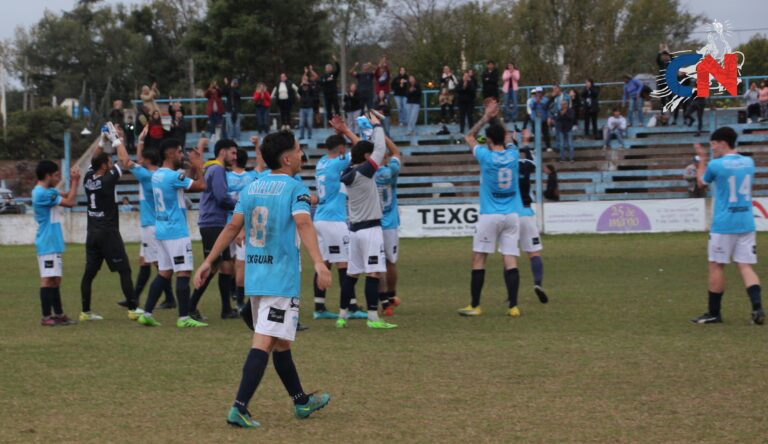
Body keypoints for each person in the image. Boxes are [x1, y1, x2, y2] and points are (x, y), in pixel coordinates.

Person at [193, 130, 332, 429]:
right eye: (297, 150)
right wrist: (320, 263)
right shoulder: (295, 188)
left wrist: (208, 260)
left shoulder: (253, 187)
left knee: (281, 343)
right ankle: (239, 408)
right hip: (279, 280)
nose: (300, 155)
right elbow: (304, 222)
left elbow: (232, 227)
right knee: (265, 342)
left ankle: (301, 401)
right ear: (286, 158)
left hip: (256, 277)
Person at [691, 127, 764, 325]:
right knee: (745, 265)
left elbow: (701, 183)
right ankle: (757, 308)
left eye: (714, 144)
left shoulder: (716, 165)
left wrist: (702, 160)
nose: (713, 148)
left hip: (724, 224)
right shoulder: (749, 162)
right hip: (746, 221)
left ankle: (714, 313)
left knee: (716, 265)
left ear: (722, 143)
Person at [458, 98, 523, 317]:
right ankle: (513, 306)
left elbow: (468, 136)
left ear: (489, 141)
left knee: (479, 259)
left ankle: (475, 305)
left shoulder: (486, 156)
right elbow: (509, 136)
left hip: (490, 215)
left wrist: (485, 117)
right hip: (512, 215)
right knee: (510, 259)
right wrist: (498, 117)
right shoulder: (513, 155)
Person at [335, 111, 399, 329]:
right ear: (365, 157)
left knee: (352, 275)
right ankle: (373, 318)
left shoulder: (348, 171)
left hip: (353, 231)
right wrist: (378, 126)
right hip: (370, 230)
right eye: (369, 155)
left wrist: (356, 134)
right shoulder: (364, 172)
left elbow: (365, 150)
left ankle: (342, 315)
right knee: (373, 273)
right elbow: (380, 150)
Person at [137, 137, 208, 328]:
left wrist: (192, 168)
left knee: (164, 273)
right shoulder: (171, 177)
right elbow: (202, 186)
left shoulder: (158, 175)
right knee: (183, 272)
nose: (181, 155)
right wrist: (199, 166)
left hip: (161, 230)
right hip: (176, 231)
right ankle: (184, 318)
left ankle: (147, 313)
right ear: (169, 153)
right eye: (179, 151)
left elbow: (182, 180)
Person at [79, 127, 141, 322]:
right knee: (124, 270)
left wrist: (101, 140)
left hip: (92, 232)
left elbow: (95, 158)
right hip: (108, 232)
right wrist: (115, 139)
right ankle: (132, 309)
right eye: (109, 162)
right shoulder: (107, 180)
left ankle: (85, 312)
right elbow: (125, 161)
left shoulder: (89, 178)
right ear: (105, 166)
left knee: (89, 274)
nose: (111, 163)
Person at [116, 126, 176, 310]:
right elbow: (137, 162)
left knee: (158, 264)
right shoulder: (155, 174)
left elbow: (126, 162)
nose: (139, 161)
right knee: (146, 262)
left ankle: (167, 299)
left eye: (142, 159)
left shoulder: (147, 176)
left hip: (151, 225)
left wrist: (118, 141)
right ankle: (134, 298)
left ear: (147, 161)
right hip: (151, 224)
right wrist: (141, 141)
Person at [312, 127, 362, 320]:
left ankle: (319, 307)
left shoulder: (322, 162)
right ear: (341, 150)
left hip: (320, 219)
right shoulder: (336, 163)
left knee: (324, 263)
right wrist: (346, 130)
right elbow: (361, 147)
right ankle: (351, 306)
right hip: (334, 219)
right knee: (346, 264)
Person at [189, 140, 239, 321]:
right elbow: (220, 197)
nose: (235, 157)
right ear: (223, 152)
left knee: (226, 265)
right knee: (212, 265)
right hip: (212, 223)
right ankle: (190, 306)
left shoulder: (212, 168)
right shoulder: (217, 169)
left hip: (215, 222)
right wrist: (240, 204)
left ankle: (226, 309)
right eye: (232, 153)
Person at [32, 161, 80, 326]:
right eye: (55, 174)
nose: (57, 177)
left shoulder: (48, 191)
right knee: (47, 279)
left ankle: (58, 314)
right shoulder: (41, 194)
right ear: (48, 175)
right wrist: (75, 182)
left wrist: (74, 184)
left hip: (53, 242)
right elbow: (70, 202)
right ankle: (46, 317)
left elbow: (66, 195)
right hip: (47, 242)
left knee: (56, 279)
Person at [517, 130, 550, 304]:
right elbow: (534, 161)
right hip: (526, 212)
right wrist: (526, 142)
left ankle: (511, 295)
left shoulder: (503, 165)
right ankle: (538, 283)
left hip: (508, 214)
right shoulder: (525, 164)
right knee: (533, 253)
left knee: (509, 255)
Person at [227, 148, 259, 309]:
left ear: (233, 160)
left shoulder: (226, 177)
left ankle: (236, 297)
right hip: (247, 225)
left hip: (230, 224)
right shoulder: (252, 177)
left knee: (234, 264)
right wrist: (257, 145)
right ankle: (239, 300)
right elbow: (261, 165)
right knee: (245, 264)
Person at [375, 144, 402, 317]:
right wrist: (384, 135)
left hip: (373, 223)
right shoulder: (391, 171)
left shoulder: (368, 173)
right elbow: (397, 152)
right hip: (390, 224)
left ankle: (385, 301)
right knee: (390, 262)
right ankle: (391, 296)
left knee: (377, 263)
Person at [319, 55, 341, 122]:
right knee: (328, 109)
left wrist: (335, 60)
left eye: (330, 67)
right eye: (327, 68)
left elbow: (338, 69)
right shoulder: (323, 76)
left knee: (336, 106)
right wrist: (326, 80)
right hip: (326, 94)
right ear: (325, 69)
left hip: (333, 93)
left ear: (331, 68)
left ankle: (338, 119)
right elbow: (321, 82)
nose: (328, 69)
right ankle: (330, 121)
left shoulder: (334, 74)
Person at [297, 73, 318, 140]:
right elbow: (298, 91)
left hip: (309, 107)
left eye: (306, 79)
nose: (305, 80)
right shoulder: (301, 86)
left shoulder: (310, 86)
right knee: (301, 124)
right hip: (302, 107)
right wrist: (301, 84)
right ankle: (302, 136)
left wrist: (308, 84)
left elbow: (313, 91)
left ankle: (309, 135)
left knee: (309, 123)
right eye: (304, 79)